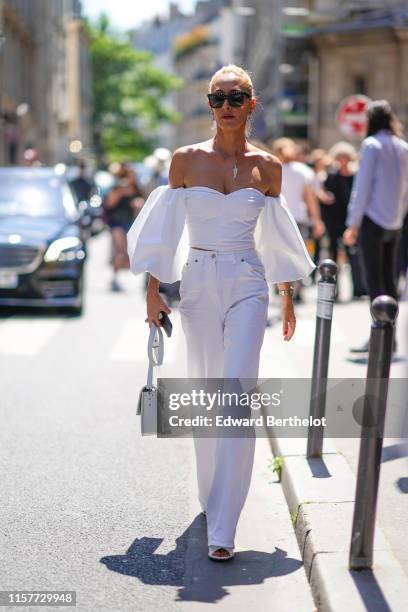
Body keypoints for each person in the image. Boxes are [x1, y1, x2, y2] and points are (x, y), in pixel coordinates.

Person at [127, 64, 316, 561]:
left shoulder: (268, 167)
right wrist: (153, 290)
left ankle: (224, 525)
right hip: (199, 279)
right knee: (207, 389)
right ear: (209, 105)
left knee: (235, 394)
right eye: (218, 99)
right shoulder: (185, 161)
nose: (226, 107)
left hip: (249, 283)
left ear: (252, 104)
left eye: (236, 98)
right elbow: (164, 230)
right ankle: (211, 496)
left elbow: (277, 237)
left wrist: (288, 295)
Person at [343, 100, 408, 352]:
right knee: (390, 281)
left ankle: (380, 337)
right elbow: (405, 191)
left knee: (373, 280)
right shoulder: (403, 147)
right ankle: (389, 338)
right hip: (394, 223)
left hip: (372, 221)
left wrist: (352, 224)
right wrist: (399, 216)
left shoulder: (371, 145)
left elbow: (362, 188)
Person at [270, 137, 325, 302]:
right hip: (298, 219)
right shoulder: (303, 171)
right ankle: (296, 290)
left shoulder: (271, 169)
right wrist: (317, 220)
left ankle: (280, 289)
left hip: (278, 219)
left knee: (279, 255)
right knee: (298, 255)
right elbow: (310, 199)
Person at [321, 142, 367, 299]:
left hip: (350, 221)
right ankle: (334, 292)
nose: (342, 161)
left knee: (354, 256)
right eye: (339, 157)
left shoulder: (356, 176)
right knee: (332, 257)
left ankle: (359, 289)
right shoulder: (331, 176)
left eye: (345, 157)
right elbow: (324, 197)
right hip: (334, 222)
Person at [104, 163, 145, 292]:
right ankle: (115, 278)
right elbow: (109, 204)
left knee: (128, 252)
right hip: (117, 222)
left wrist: (138, 205)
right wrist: (121, 191)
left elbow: (144, 204)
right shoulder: (117, 187)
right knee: (120, 250)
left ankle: (120, 276)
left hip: (131, 223)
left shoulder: (137, 189)